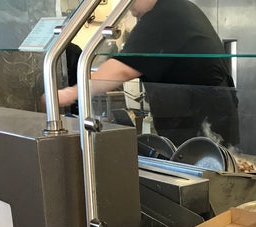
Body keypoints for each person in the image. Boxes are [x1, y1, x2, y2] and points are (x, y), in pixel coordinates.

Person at [57, 0, 239, 147]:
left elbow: (122, 69)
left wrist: (70, 93)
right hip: (200, 122)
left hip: (205, 129)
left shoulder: (165, 14)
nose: (128, 6)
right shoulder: (176, 8)